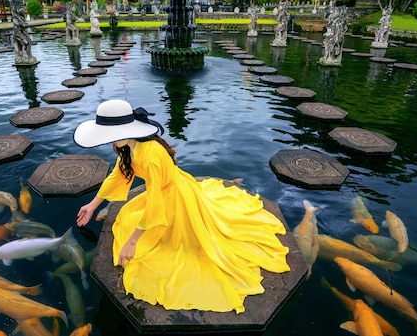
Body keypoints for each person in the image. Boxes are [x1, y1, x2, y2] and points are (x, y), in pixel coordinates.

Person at [74, 99, 290, 314]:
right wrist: (92, 205)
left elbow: (156, 203)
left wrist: (132, 242)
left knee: (177, 247)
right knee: (132, 222)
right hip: (163, 191)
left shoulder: (150, 154)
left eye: (109, 135)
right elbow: (119, 175)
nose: (107, 141)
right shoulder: (127, 146)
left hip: (175, 198)